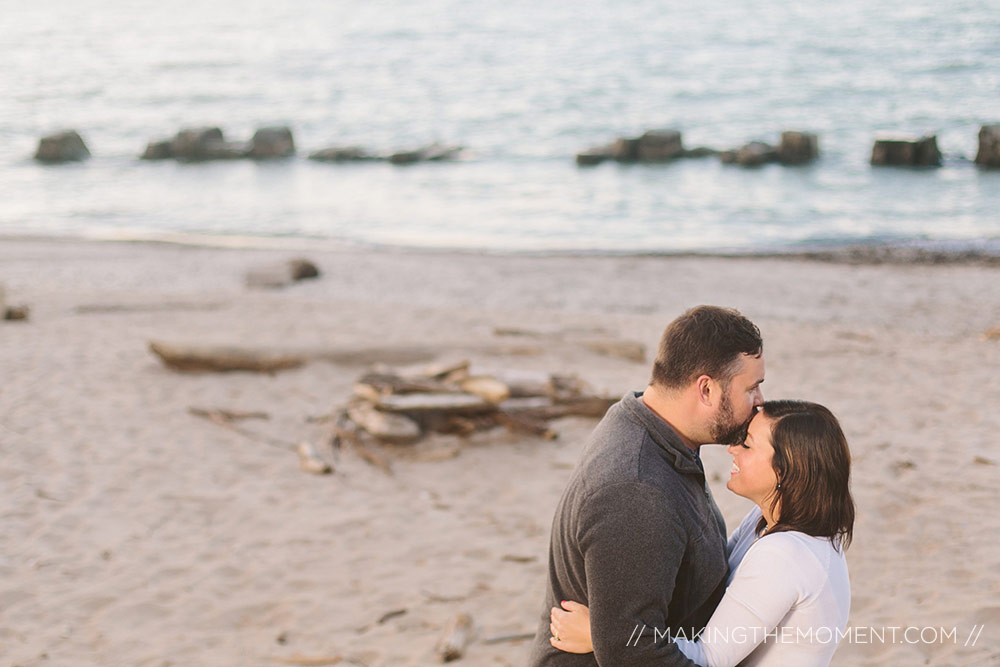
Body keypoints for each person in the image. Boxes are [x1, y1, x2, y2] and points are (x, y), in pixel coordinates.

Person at [527, 305, 766, 666]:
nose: (761, 402)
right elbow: (632, 653)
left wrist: (603, 633)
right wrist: (611, 637)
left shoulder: (649, 426)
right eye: (752, 388)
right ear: (706, 389)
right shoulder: (636, 492)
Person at [549, 400, 856, 666]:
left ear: (785, 471)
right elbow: (716, 578)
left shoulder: (786, 556)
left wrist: (604, 635)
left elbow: (708, 658)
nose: (732, 449)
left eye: (747, 444)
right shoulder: (770, 522)